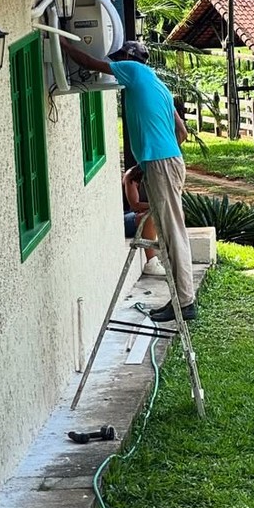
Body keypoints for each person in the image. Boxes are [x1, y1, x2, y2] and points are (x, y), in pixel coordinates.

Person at [62, 37, 195, 321]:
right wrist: (149, 162)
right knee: (171, 229)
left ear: (130, 58)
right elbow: (181, 132)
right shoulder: (158, 85)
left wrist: (62, 42)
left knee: (172, 233)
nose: (117, 62)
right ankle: (181, 299)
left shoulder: (134, 72)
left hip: (160, 164)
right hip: (165, 162)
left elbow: (90, 63)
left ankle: (185, 301)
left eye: (121, 57)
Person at [122, 164, 163, 276]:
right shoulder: (132, 175)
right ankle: (151, 262)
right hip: (124, 218)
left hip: (140, 216)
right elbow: (134, 205)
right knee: (150, 217)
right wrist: (156, 205)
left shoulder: (158, 176)